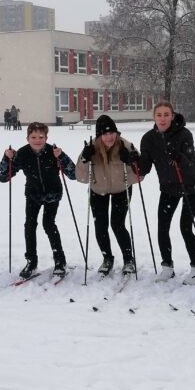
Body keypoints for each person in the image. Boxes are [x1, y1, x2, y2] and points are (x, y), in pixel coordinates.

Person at [137, 101, 195, 284]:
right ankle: (167, 267)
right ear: (154, 117)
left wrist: (179, 156)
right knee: (163, 226)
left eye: (166, 114)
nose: (163, 118)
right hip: (169, 188)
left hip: (190, 186)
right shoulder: (149, 138)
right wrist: (132, 160)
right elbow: (144, 168)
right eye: (159, 115)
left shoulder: (184, 134)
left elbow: (191, 166)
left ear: (172, 116)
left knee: (185, 226)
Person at [0, 122, 77, 279]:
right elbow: (3, 177)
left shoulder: (52, 151)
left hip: (52, 193)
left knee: (48, 224)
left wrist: (61, 156)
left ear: (46, 138)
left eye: (41, 137)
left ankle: (60, 261)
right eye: (33, 137)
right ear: (27, 138)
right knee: (30, 225)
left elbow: (73, 174)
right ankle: (31, 261)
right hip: (33, 194)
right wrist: (7, 159)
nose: (37, 140)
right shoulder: (22, 153)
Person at [75, 115, 140, 276]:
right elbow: (81, 177)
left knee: (118, 225)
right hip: (98, 190)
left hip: (121, 189)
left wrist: (132, 161)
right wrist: (85, 158)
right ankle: (107, 258)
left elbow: (139, 176)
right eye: (104, 134)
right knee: (100, 225)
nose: (109, 137)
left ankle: (128, 259)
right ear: (99, 135)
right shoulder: (90, 147)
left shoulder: (126, 145)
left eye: (112, 133)